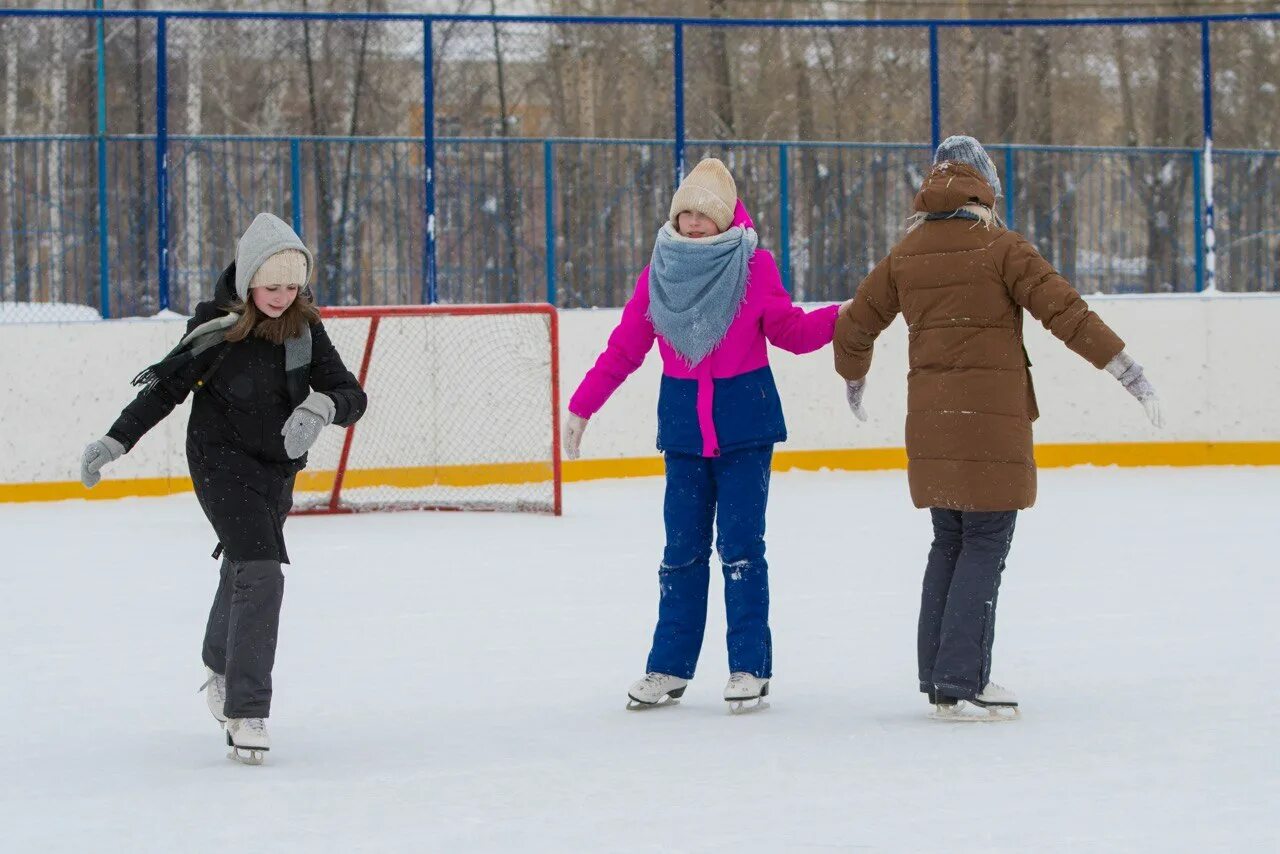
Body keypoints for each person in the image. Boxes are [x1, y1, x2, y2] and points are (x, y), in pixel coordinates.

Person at [834, 136, 1164, 720]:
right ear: (984, 185)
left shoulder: (906, 254)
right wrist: (1127, 370)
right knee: (984, 543)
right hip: (990, 429)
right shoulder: (1001, 246)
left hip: (932, 427)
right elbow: (1067, 312)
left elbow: (854, 324)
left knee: (948, 542)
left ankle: (940, 678)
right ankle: (963, 677)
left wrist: (854, 378)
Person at [80, 213, 367, 760]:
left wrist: (322, 406)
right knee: (262, 570)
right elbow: (162, 392)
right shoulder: (215, 330)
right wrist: (115, 441)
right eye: (272, 285)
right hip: (219, 465)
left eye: (292, 286)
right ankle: (247, 710)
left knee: (243, 565)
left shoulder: (305, 330)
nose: (282, 297)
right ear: (249, 278)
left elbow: (351, 394)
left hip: (276, 470)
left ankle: (219, 663)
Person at [563, 158, 840, 712]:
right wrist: (582, 406)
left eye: (704, 214)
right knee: (681, 553)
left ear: (725, 217)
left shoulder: (754, 266)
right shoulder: (659, 271)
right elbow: (625, 348)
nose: (692, 223)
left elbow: (790, 331)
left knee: (741, 550)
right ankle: (669, 667)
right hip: (685, 433)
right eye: (684, 213)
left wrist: (847, 317)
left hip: (745, 428)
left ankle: (749, 667)